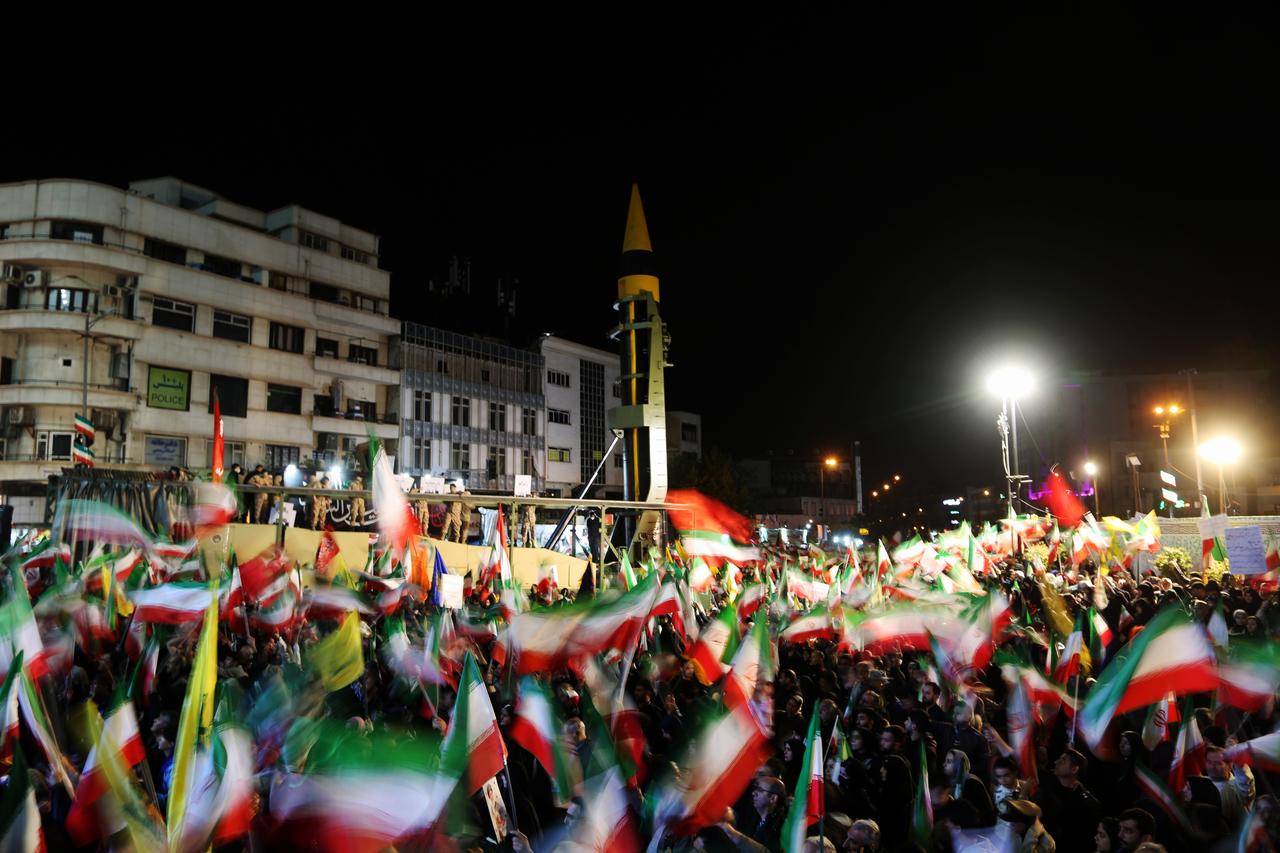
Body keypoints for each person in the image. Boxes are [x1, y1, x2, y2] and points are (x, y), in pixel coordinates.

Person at [744, 776, 787, 851]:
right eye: (755, 788)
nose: (753, 793)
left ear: (773, 798)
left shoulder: (782, 829)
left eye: (760, 790)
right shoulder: (751, 817)